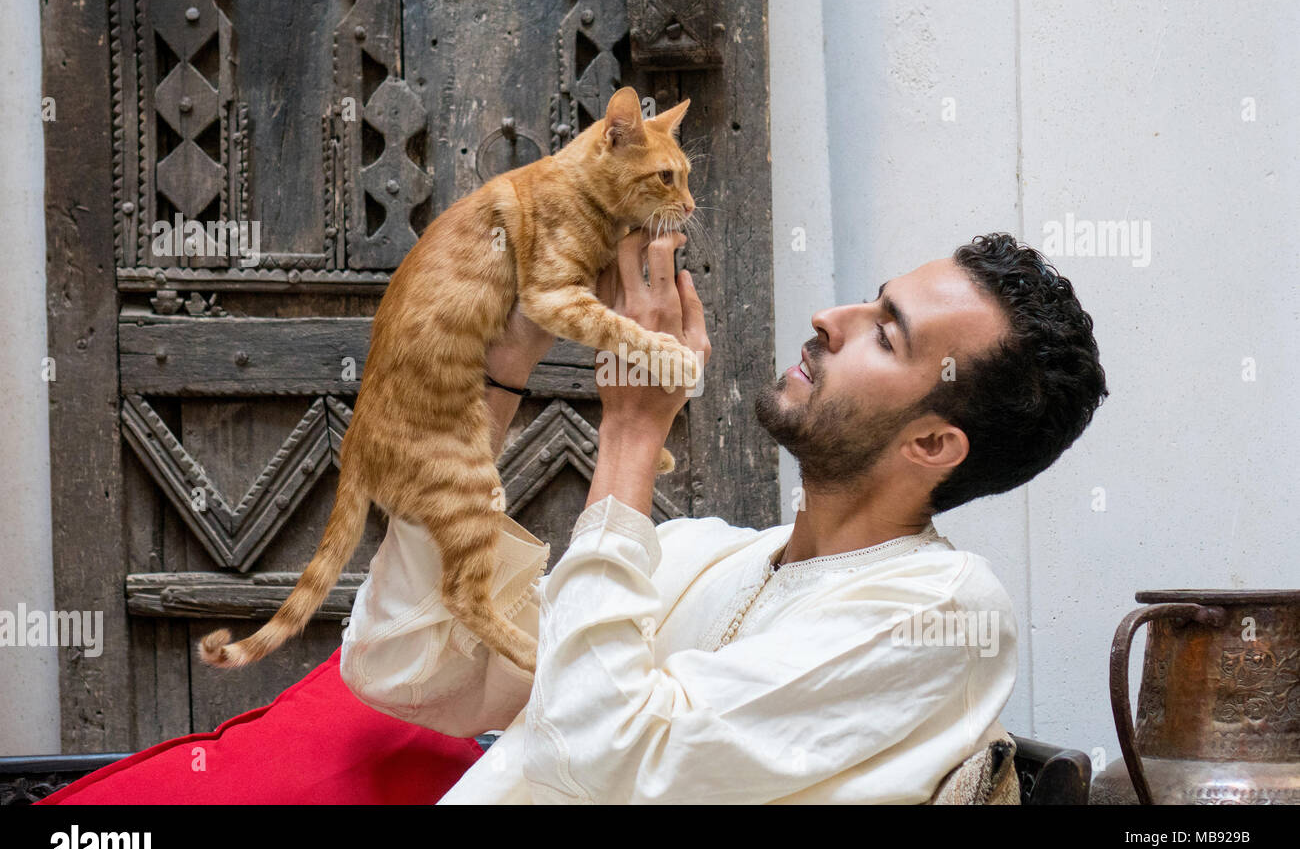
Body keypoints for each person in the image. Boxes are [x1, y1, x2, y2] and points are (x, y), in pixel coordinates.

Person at [339, 229, 1108, 804]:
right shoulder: (690, 555)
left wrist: (633, 432)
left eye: (885, 331)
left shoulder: (941, 614)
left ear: (934, 442)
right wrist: (500, 369)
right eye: (867, 299)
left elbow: (603, 752)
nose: (830, 317)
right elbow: (405, 669)